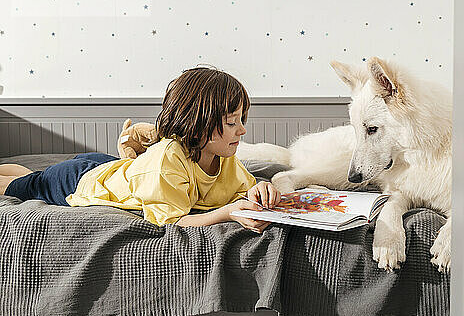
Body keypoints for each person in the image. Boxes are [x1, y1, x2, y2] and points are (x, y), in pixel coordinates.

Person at [0, 67, 280, 233]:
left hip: (112, 168)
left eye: (241, 120)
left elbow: (242, 188)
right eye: (232, 123)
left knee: (32, 175)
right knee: (22, 185)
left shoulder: (224, 155)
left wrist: (260, 189)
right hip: (80, 180)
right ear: (198, 124)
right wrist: (227, 213)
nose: (241, 131)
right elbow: (171, 221)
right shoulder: (167, 160)